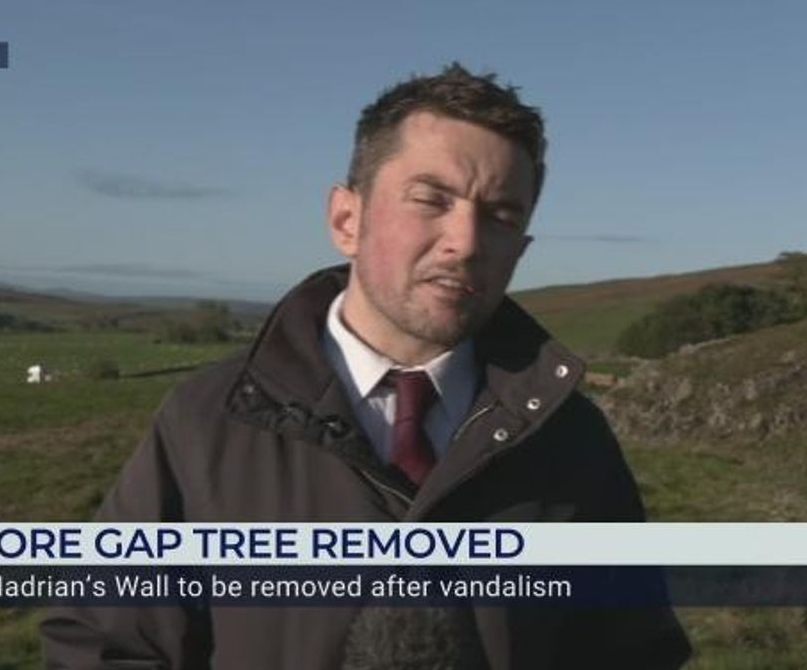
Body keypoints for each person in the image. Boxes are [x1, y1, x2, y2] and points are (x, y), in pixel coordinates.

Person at [41, 63, 691, 669]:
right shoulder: (206, 423)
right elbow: (107, 644)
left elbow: (632, 652)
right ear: (346, 219)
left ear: (520, 248)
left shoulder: (570, 440)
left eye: (498, 216)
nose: (465, 243)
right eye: (430, 199)